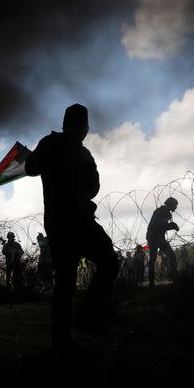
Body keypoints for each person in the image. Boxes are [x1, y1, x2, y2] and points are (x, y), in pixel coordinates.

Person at [25, 103, 119, 349]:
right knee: (106, 265)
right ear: (83, 128)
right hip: (75, 221)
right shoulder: (75, 151)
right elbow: (93, 188)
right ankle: (82, 319)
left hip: (61, 222)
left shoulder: (55, 145)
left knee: (66, 282)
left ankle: (64, 338)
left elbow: (30, 167)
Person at [146, 197, 179, 286]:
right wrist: (171, 226)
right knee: (170, 255)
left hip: (156, 237)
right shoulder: (161, 212)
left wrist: (171, 225)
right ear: (171, 204)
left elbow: (162, 226)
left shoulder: (164, 211)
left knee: (153, 259)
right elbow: (159, 226)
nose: (176, 208)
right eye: (175, 205)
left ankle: (151, 281)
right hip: (155, 237)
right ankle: (174, 277)